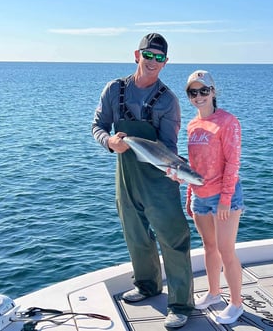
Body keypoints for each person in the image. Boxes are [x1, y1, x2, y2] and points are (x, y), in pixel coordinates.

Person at [91, 33, 194, 328]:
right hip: (125, 175)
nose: (153, 61)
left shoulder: (168, 101)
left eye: (159, 58)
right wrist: (110, 142)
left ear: (166, 63)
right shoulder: (114, 90)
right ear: (136, 55)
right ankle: (148, 286)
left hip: (160, 180)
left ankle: (181, 304)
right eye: (148, 55)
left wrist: (176, 171)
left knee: (173, 240)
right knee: (135, 235)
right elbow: (98, 126)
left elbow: (169, 147)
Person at [185, 70, 244, 324]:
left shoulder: (228, 121)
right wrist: (189, 193)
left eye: (203, 91)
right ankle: (213, 293)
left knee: (226, 250)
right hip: (200, 195)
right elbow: (193, 165)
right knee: (209, 247)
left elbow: (233, 162)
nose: (199, 96)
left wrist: (225, 199)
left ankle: (236, 303)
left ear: (213, 92)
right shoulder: (192, 125)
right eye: (193, 92)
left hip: (223, 196)